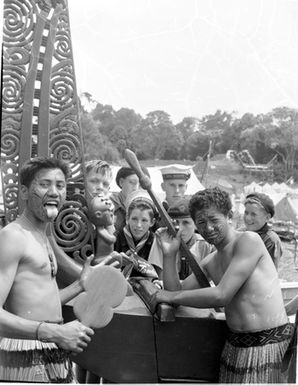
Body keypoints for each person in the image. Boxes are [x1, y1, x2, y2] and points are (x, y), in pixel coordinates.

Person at [154, 187, 293, 383]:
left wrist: (170, 296)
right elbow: (176, 292)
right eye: (201, 222)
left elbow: (222, 295)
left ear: (229, 216)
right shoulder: (211, 261)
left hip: (268, 346)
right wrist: (169, 255)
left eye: (214, 220)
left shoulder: (248, 241)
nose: (208, 228)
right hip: (235, 348)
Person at [0, 157, 97, 383]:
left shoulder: (42, 236)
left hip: (52, 352)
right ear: (24, 192)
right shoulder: (13, 237)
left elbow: (38, 304)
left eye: (60, 185)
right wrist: (55, 333)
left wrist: (80, 285)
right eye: (45, 184)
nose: (54, 192)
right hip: (24, 357)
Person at [148, 196, 214, 280]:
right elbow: (160, 277)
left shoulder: (205, 245)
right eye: (175, 222)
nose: (180, 228)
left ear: (196, 224)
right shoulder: (162, 238)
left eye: (186, 222)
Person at [114, 190, 159, 279]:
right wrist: (117, 262)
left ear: (152, 222)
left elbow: (158, 274)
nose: (138, 225)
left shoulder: (156, 242)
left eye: (144, 220)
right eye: (134, 219)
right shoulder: (114, 239)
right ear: (127, 218)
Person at [243, 192, 283, 269]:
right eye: (246, 213)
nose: (248, 218)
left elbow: (270, 271)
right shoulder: (241, 232)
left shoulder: (271, 240)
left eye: (253, 214)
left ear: (267, 218)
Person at [110, 166, 150, 236]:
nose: (136, 188)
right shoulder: (109, 206)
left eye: (141, 185)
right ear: (121, 182)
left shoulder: (149, 209)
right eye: (132, 182)